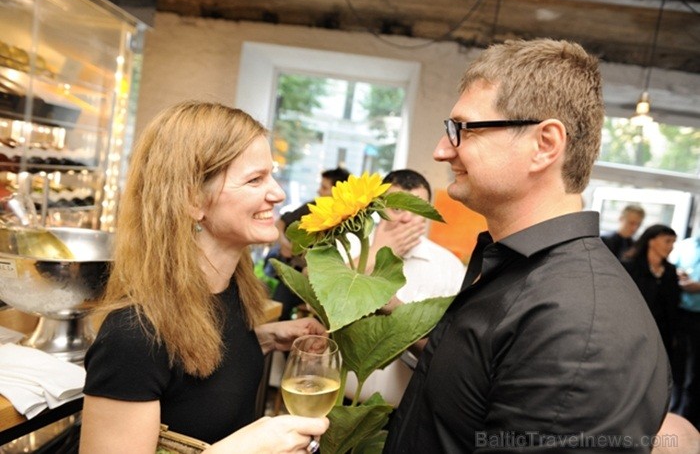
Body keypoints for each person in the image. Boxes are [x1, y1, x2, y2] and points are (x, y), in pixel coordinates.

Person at [383, 39, 670, 453]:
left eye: (463, 129)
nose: (442, 150)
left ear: (545, 145)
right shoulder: (518, 270)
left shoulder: (578, 324)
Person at [79, 101, 329, 453]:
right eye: (255, 179)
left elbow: (191, 381)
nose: (278, 193)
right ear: (192, 199)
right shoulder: (133, 337)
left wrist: (264, 339)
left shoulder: (230, 292)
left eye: (271, 174)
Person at [343, 169, 466, 407]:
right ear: (379, 209)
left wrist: (399, 311)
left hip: (402, 411)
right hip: (340, 401)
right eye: (397, 208)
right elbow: (324, 303)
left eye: (417, 208)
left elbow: (444, 352)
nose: (406, 219)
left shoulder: (448, 266)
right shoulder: (350, 247)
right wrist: (378, 254)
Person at [270, 167, 351, 320]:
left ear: (338, 191)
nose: (319, 191)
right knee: (279, 311)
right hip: (297, 274)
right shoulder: (313, 207)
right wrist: (285, 244)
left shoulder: (350, 219)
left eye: (324, 187)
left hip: (323, 282)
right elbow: (281, 222)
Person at [622, 224, 680, 359]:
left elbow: (672, 306)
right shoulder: (630, 267)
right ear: (651, 241)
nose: (670, 246)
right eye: (667, 241)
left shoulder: (670, 271)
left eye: (673, 242)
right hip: (633, 332)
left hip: (661, 334)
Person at [669, 235, 700, 429]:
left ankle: (687, 417)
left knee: (695, 370)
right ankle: (672, 412)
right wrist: (678, 275)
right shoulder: (685, 246)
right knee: (676, 365)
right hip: (680, 314)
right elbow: (671, 269)